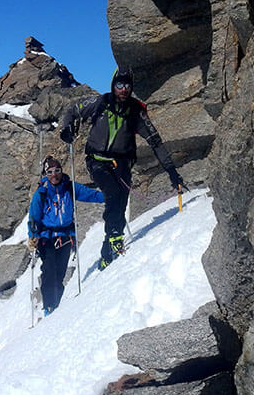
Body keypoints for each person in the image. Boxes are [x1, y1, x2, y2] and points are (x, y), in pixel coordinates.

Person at [60, 67, 185, 269]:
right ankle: (114, 236)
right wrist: (67, 127)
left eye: (127, 85)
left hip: (123, 163)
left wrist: (172, 172)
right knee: (113, 192)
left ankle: (109, 247)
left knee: (121, 200)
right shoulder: (100, 102)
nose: (123, 89)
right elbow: (73, 110)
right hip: (97, 161)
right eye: (120, 84)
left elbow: (156, 142)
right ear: (113, 85)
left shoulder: (136, 111)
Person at [27, 155, 103, 315]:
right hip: (47, 238)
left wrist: (109, 197)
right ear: (45, 174)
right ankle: (49, 306)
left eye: (57, 170)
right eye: (50, 172)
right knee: (49, 271)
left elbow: (90, 194)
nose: (54, 174)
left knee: (60, 272)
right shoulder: (41, 193)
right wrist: (33, 236)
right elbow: (34, 217)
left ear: (61, 171)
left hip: (66, 236)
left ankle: (56, 305)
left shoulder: (70, 187)